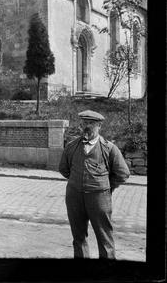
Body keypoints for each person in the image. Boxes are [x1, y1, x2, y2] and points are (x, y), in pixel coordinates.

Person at [58, 109, 130, 260]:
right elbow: (63, 169)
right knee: (78, 236)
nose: (87, 126)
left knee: (104, 236)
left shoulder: (109, 148)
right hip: (74, 196)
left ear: (99, 126)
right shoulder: (71, 146)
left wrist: (106, 186)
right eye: (84, 123)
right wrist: (77, 181)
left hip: (99, 197)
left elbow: (123, 173)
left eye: (91, 123)